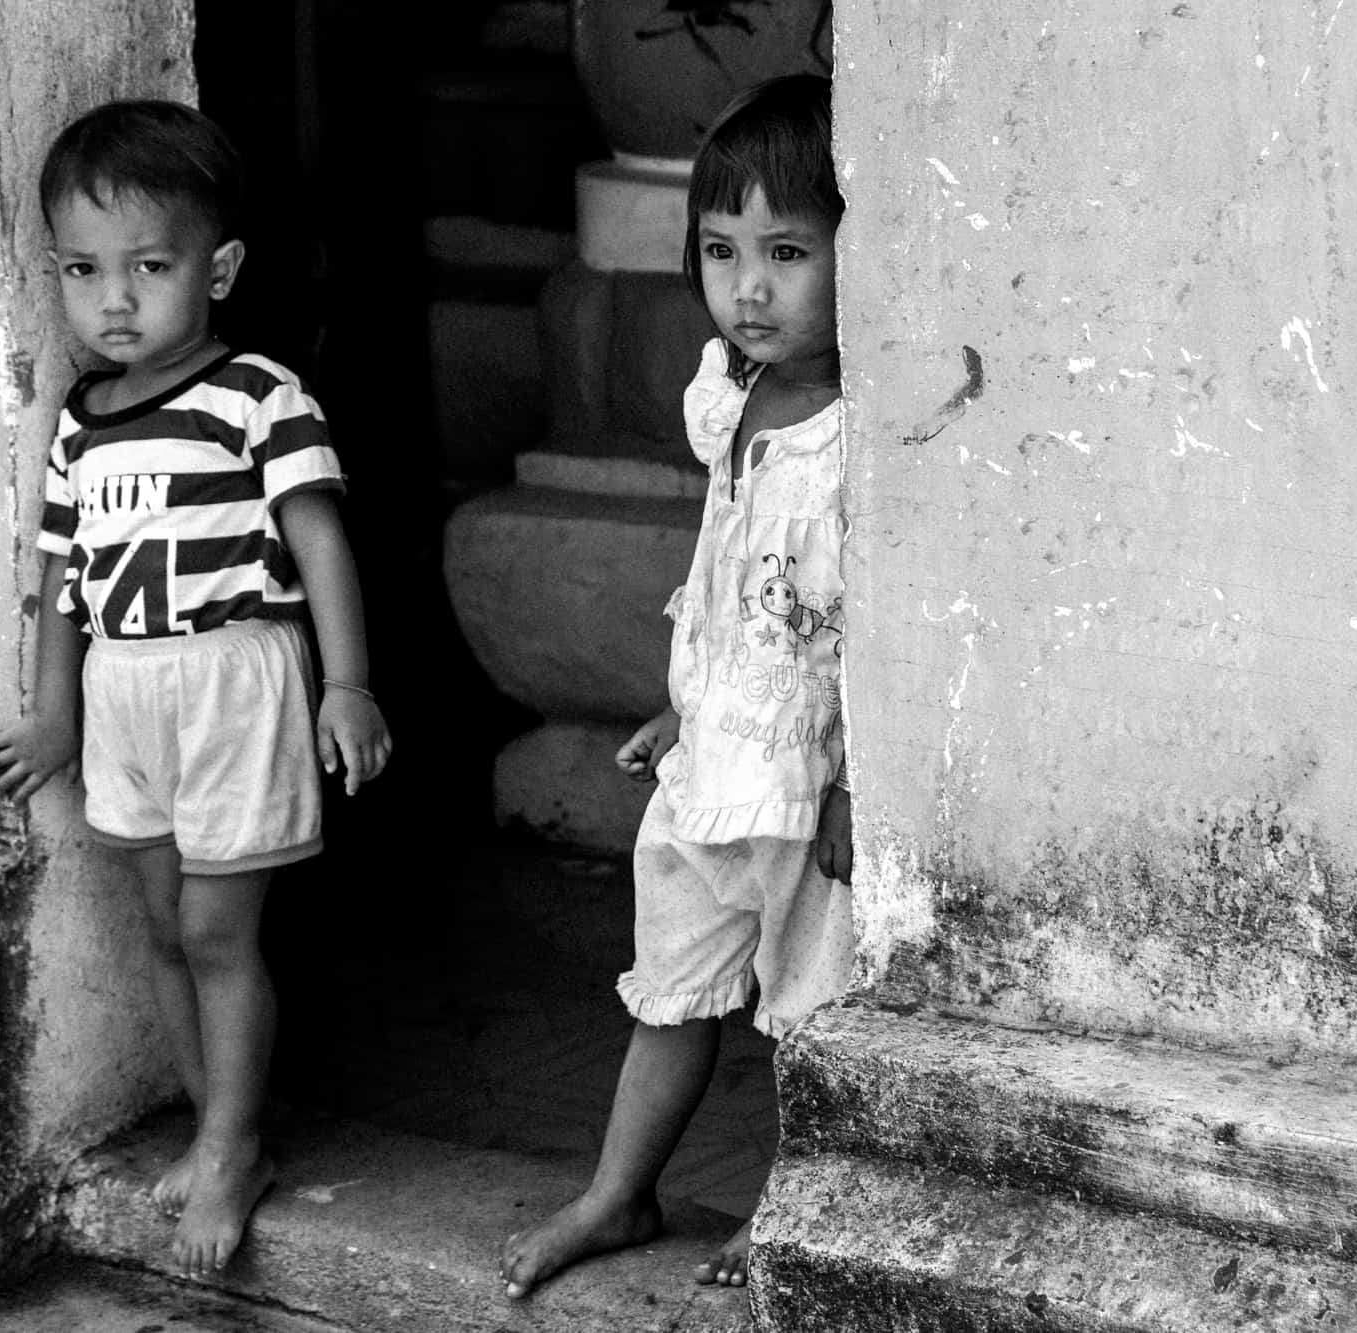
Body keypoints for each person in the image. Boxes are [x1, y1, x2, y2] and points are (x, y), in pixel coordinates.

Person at [0, 99, 391, 1279]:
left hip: (234, 677)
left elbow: (319, 543)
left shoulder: (257, 393)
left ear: (214, 270)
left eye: (147, 267)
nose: (114, 300)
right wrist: (57, 710)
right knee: (163, 924)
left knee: (219, 926)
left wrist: (346, 683)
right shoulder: (80, 422)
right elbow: (62, 579)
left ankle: (228, 1141)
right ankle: (222, 1125)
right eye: (82, 269)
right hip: (124, 688)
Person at [501, 73, 853, 1299]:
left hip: (806, 787)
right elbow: (729, 573)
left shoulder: (864, 430)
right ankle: (616, 1192)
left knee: (808, 1019)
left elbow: (874, 621)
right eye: (720, 250)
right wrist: (684, 698)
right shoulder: (740, 396)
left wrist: (858, 779)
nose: (747, 287)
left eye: (788, 250)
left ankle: (791, 1207)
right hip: (711, 761)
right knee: (672, 997)